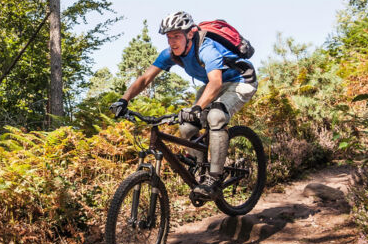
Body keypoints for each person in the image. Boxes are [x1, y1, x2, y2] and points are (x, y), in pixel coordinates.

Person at [110, 11, 258, 199]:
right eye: (169, 37)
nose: (172, 41)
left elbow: (215, 83)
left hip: (240, 81)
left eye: (177, 36)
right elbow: (145, 78)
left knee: (216, 116)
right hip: (215, 84)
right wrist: (124, 100)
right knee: (186, 126)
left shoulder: (207, 49)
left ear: (190, 33)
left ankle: (214, 178)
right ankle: (200, 168)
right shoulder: (170, 54)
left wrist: (197, 108)